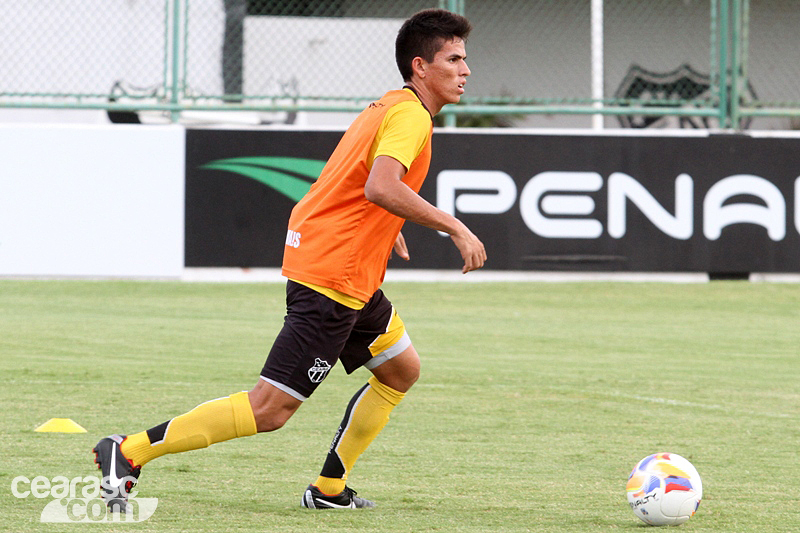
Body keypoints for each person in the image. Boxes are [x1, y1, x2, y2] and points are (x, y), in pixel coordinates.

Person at [92, 8, 485, 511]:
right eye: (453, 58)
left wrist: (388, 228)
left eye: (465, 59)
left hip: (348, 271)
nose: (465, 70)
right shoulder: (409, 115)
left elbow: (350, 182)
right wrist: (453, 225)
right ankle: (127, 452)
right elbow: (380, 185)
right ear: (420, 67)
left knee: (400, 370)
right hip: (334, 278)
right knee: (271, 408)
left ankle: (328, 489)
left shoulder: (389, 106)